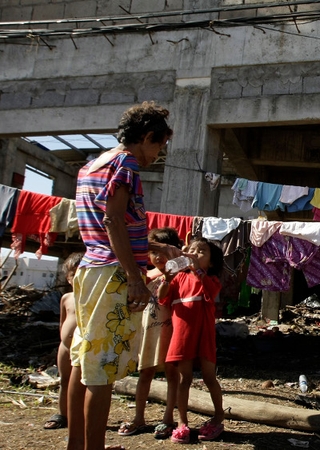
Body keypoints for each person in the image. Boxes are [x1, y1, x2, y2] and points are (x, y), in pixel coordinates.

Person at [68, 101, 181, 450]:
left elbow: (111, 227)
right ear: (146, 137)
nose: (158, 155)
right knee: (100, 370)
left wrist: (151, 249)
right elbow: (113, 221)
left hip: (90, 269)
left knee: (82, 361)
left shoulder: (93, 164)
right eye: (158, 145)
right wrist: (135, 276)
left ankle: (76, 444)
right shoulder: (125, 163)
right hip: (112, 276)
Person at [157, 236, 225, 444]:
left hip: (204, 335)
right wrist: (167, 279)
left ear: (211, 262)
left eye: (201, 251)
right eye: (191, 250)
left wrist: (196, 268)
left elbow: (210, 291)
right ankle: (182, 422)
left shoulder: (211, 280)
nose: (194, 253)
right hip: (182, 334)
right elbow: (162, 297)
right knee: (184, 378)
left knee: (208, 376)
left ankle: (219, 416)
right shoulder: (178, 279)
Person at [117, 227, 182, 439]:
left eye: (162, 251)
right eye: (153, 252)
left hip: (171, 330)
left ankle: (168, 418)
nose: (157, 257)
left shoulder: (181, 272)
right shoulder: (145, 274)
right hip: (148, 331)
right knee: (145, 372)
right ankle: (139, 417)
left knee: (173, 374)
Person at [43, 251, 84, 430]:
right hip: (65, 347)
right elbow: (62, 322)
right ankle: (62, 414)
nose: (77, 279)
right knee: (64, 381)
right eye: (74, 275)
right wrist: (62, 341)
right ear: (68, 278)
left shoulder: (92, 299)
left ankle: (80, 414)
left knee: (82, 382)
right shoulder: (66, 298)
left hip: (83, 347)